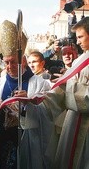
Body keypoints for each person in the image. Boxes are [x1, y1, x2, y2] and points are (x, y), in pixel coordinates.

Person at [22, 17, 89, 169]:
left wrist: (69, 86)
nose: (77, 42)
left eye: (80, 37)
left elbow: (71, 89)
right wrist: (37, 100)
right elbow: (61, 92)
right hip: (73, 124)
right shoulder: (80, 61)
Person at [0, 20, 52, 169]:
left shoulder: (39, 83)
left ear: (23, 60)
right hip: (2, 138)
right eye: (6, 62)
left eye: (13, 62)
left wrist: (30, 103)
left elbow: (48, 113)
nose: (9, 67)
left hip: (27, 140)